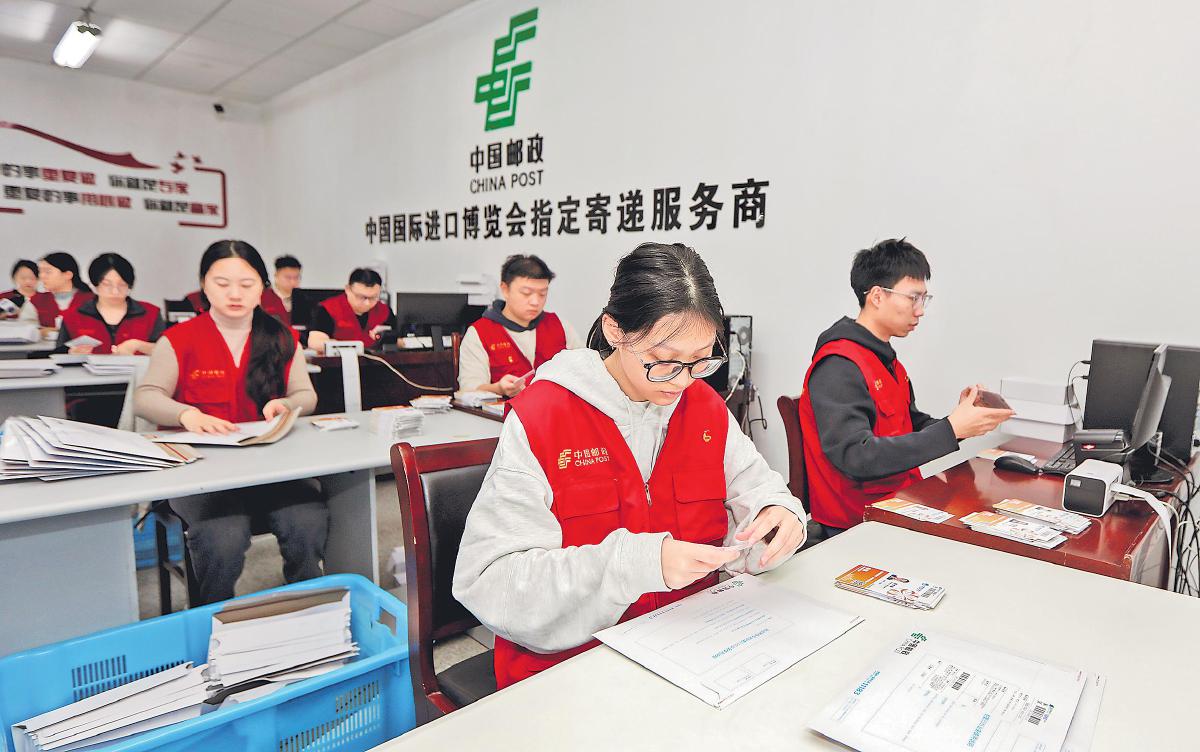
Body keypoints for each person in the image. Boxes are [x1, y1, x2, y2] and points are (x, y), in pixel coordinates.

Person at [454, 242, 807, 689]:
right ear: (615, 330)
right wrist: (632, 564)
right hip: (571, 667)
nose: (683, 381)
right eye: (663, 361)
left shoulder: (704, 407)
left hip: (690, 649)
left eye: (701, 360)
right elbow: (491, 583)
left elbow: (758, 491)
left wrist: (779, 514)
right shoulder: (544, 416)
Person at [134, 240, 328, 605]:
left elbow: (306, 395)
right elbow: (146, 397)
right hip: (202, 473)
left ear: (262, 287)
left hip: (270, 468)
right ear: (204, 285)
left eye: (247, 284)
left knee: (307, 518)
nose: (235, 294)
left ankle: (307, 606)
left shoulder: (281, 337)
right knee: (222, 535)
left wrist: (286, 404)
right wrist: (186, 414)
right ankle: (213, 614)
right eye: (222, 283)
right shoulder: (179, 339)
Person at [798, 238, 1014, 537]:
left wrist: (962, 423)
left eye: (924, 299)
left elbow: (910, 425)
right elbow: (856, 456)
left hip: (901, 500)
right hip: (858, 521)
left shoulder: (886, 360)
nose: (920, 311)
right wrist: (951, 429)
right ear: (877, 296)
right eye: (913, 298)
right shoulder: (839, 364)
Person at [458, 254, 583, 397]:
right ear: (505, 289)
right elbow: (469, 391)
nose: (535, 302)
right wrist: (498, 388)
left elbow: (585, 370)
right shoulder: (480, 333)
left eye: (542, 294)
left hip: (557, 408)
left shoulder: (559, 326)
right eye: (526, 293)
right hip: (504, 411)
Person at [57, 253, 164, 355]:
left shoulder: (151, 313)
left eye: (122, 284)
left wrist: (139, 345)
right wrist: (71, 353)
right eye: (107, 284)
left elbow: (166, 351)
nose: (115, 291)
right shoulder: (72, 316)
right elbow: (58, 353)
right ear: (95, 284)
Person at [307, 268, 395, 354]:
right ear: (348, 289)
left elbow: (396, 341)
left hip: (378, 361)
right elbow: (315, 342)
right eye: (361, 297)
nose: (367, 303)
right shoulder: (328, 309)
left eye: (373, 297)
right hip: (339, 361)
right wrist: (347, 346)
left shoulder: (385, 311)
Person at [19, 252, 94, 328]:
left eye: (48, 272)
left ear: (68, 275)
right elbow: (25, 329)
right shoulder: (36, 301)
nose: (41, 276)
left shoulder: (91, 301)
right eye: (40, 272)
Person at [261, 255, 301, 326]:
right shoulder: (263, 297)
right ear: (276, 275)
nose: (293, 282)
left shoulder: (303, 300)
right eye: (288, 277)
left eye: (296, 277)